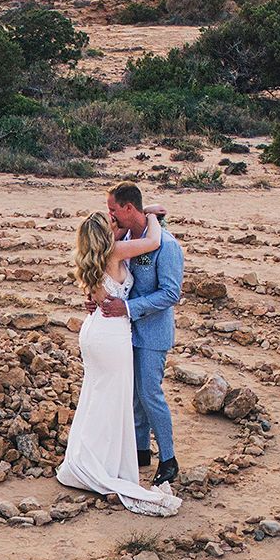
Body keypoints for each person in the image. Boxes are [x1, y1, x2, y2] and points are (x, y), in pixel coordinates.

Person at [55, 212, 183, 516]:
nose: (117, 224)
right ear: (105, 233)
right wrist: (152, 215)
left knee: (98, 396)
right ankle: (112, 463)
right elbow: (152, 239)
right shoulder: (115, 251)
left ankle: (96, 456)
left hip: (94, 328)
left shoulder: (89, 255)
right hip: (112, 334)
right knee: (117, 398)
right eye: (111, 222)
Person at [96, 182, 184, 485]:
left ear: (128, 208)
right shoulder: (127, 239)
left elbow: (171, 293)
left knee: (150, 393)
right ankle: (140, 450)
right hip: (124, 332)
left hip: (152, 332)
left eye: (113, 209)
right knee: (133, 395)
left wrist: (129, 307)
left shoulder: (166, 245)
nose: (110, 215)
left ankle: (169, 459)